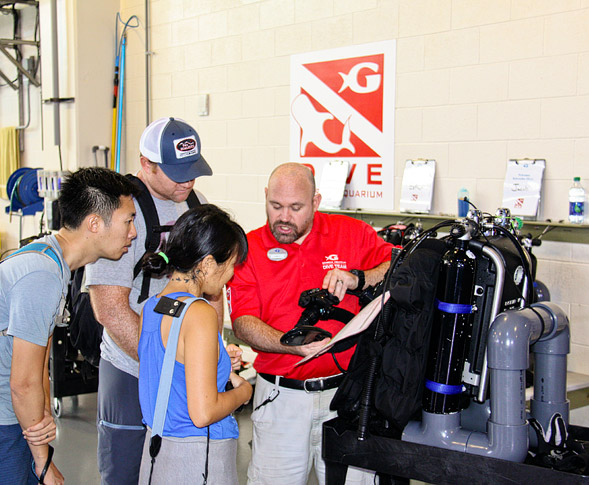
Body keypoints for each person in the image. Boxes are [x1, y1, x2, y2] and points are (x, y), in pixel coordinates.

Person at [0, 167, 138, 485]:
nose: (133, 233)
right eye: (128, 221)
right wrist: (42, 461)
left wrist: (41, 420)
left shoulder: (51, 262)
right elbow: (24, 383)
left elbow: (38, 361)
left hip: (0, 422)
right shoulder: (40, 275)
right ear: (95, 223)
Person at [85, 117, 238, 484]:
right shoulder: (122, 213)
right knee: (125, 471)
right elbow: (109, 308)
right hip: (131, 368)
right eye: (176, 172)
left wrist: (210, 353)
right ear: (146, 164)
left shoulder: (196, 205)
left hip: (185, 371)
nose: (187, 181)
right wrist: (164, 362)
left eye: (192, 171)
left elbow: (211, 290)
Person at [226, 162, 394, 485]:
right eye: (275, 206)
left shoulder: (352, 234)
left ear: (316, 203)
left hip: (346, 396)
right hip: (280, 399)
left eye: (296, 208)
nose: (284, 217)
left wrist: (358, 278)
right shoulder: (248, 249)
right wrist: (290, 344)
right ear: (265, 197)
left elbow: (395, 266)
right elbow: (244, 322)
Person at [136, 204, 253, 484]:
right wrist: (244, 392)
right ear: (209, 263)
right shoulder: (199, 313)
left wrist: (222, 370)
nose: (231, 276)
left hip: (157, 456)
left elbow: (173, 373)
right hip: (197, 459)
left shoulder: (152, 306)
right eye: (231, 265)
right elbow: (203, 412)